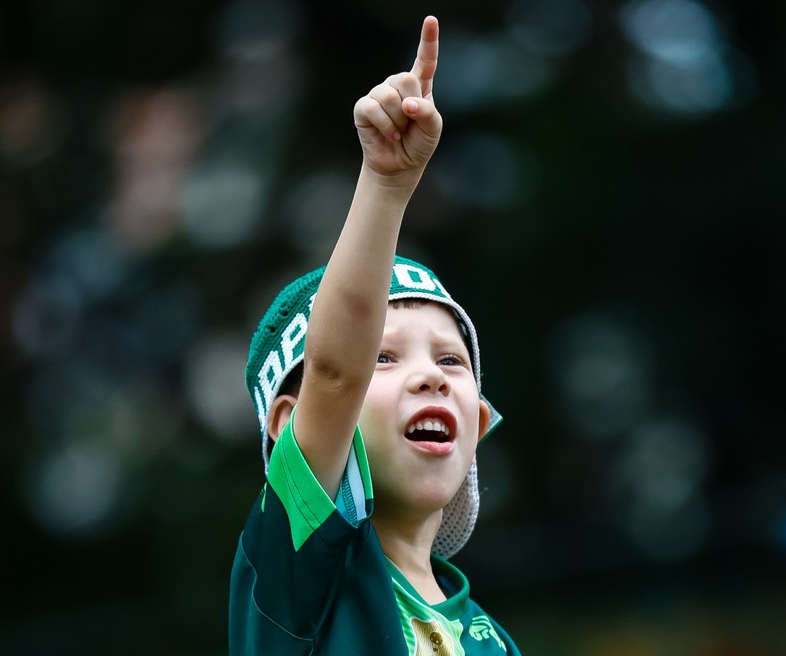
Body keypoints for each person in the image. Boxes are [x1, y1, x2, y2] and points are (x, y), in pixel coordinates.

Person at [229, 16, 521, 655]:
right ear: (289, 425)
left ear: (477, 421)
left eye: (451, 358)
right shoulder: (300, 576)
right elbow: (333, 373)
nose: (431, 374)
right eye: (382, 358)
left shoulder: (493, 640)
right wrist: (386, 186)